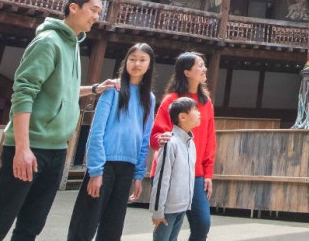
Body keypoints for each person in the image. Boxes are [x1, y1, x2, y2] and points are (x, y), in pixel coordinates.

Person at [0, 0, 119, 241]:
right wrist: (22, 147)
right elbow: (23, 92)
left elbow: (64, 91)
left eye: (99, 12)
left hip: (56, 150)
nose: (97, 16)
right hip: (30, 147)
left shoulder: (73, 43)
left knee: (32, 225)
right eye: (93, 10)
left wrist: (95, 89)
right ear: (73, 8)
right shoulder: (48, 42)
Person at [68, 43, 156, 241]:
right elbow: (97, 131)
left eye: (143, 60)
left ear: (149, 65)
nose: (137, 64)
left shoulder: (148, 98)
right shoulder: (113, 90)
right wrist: (96, 171)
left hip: (128, 166)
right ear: (125, 61)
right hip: (104, 164)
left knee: (113, 225)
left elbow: (144, 138)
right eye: (132, 59)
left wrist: (139, 174)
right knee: (86, 221)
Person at [147, 52, 217, 241]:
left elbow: (210, 139)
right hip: (171, 172)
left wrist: (208, 173)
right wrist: (163, 138)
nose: (204, 69)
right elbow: (155, 139)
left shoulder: (206, 103)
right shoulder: (172, 100)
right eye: (200, 66)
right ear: (187, 72)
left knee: (202, 224)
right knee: (167, 226)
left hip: (196, 174)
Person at [149, 96, 200, 241]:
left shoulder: (191, 144)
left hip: (182, 206)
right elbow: (161, 178)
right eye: (195, 110)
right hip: (168, 209)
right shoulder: (170, 143)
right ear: (182, 117)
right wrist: (158, 211)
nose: (199, 113)